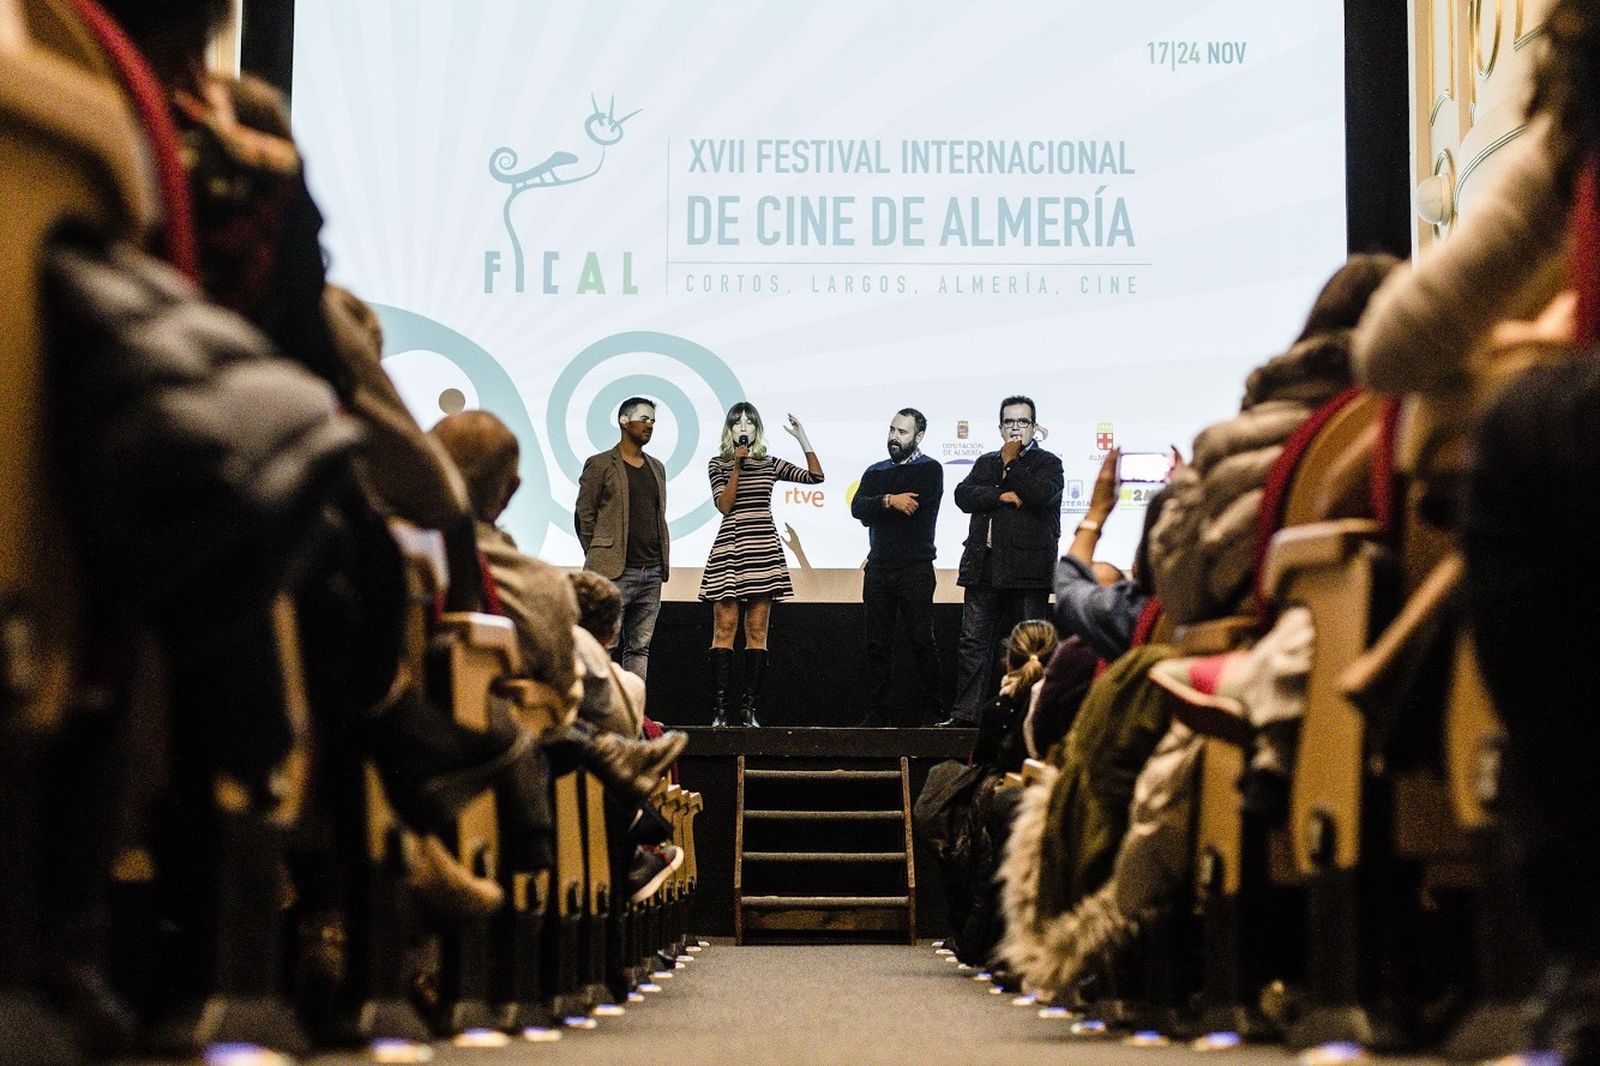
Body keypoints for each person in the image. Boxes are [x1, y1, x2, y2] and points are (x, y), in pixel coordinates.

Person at [700, 402, 823, 727]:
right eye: (737, 423)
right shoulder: (718, 464)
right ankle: (720, 713)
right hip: (731, 545)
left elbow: (815, 477)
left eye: (749, 423)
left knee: (756, 631)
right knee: (724, 629)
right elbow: (725, 506)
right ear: (730, 430)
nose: (744, 428)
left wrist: (803, 439)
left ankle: (749, 711)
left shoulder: (770, 464)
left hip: (763, 550)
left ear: (757, 430)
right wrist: (737, 467)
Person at [944, 396, 1063, 727]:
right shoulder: (984, 462)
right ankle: (965, 715)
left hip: (1027, 573)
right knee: (973, 645)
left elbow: (1041, 495)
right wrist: (1000, 495)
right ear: (999, 427)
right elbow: (963, 495)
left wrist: (1012, 464)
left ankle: (1029, 716)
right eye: (1009, 422)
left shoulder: (1048, 463)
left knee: (1030, 649)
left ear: (1035, 428)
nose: (1015, 429)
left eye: (1022, 422)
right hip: (983, 567)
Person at [851, 408, 945, 727]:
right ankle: (878, 712)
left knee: (921, 640)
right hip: (878, 568)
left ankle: (934, 710)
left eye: (902, 432)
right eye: (892, 429)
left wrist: (876, 507)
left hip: (915, 568)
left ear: (918, 436)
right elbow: (857, 507)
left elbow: (915, 505)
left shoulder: (929, 469)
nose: (894, 436)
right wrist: (889, 501)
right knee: (877, 644)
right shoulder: (874, 471)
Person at [574, 397, 670, 680]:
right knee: (604, 644)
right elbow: (584, 514)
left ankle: (634, 715)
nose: (649, 425)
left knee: (640, 647)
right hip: (614, 570)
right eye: (644, 418)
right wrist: (598, 553)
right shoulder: (601, 464)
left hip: (651, 570)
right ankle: (598, 714)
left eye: (653, 420)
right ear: (624, 421)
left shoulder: (657, 467)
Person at [1054, 449, 1169, 662]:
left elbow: (1068, 585)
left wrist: (1096, 513)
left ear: (1138, 564)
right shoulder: (1219, 612)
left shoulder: (1132, 616)